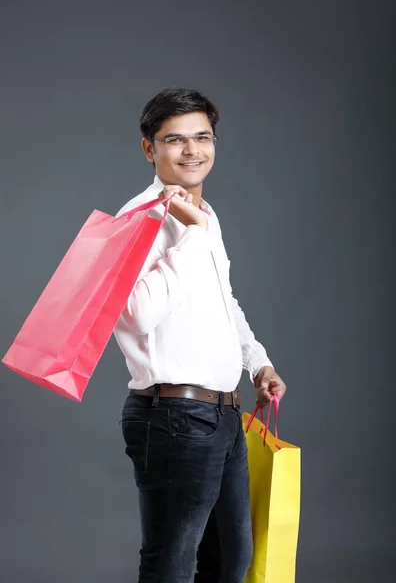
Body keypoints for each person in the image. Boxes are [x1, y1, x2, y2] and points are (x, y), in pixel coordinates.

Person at [113, 87, 287, 583]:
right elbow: (136, 314)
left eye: (202, 137)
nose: (192, 150)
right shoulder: (139, 218)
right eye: (175, 139)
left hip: (223, 414)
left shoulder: (205, 216)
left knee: (229, 562)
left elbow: (222, 302)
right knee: (172, 560)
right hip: (173, 418)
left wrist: (258, 363)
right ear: (150, 149)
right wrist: (190, 236)